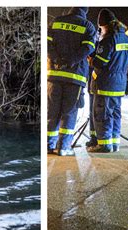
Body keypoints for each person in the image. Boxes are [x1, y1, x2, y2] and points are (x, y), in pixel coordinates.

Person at [47, 7, 97, 156]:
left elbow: (47, 44)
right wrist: (71, 61)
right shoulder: (88, 26)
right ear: (85, 11)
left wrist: (56, 59)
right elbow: (89, 47)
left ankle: (48, 145)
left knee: (52, 111)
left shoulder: (56, 22)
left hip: (54, 75)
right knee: (69, 112)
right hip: (74, 77)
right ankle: (64, 147)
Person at [87, 9, 128, 153]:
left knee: (102, 114)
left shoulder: (108, 39)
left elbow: (100, 62)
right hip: (119, 84)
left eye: (100, 28)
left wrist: (91, 60)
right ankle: (114, 143)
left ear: (103, 25)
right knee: (115, 114)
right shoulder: (126, 39)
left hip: (105, 83)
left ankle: (104, 144)